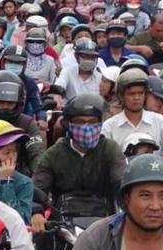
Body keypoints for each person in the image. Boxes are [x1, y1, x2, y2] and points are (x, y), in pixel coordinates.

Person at [31, 94, 125, 235]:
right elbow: (37, 188)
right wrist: (36, 213)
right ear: (68, 124)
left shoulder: (110, 149)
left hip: (106, 228)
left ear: (100, 122)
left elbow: (123, 185)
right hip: (62, 228)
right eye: (79, 122)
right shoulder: (53, 154)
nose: (86, 127)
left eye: (92, 121)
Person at [101, 68, 163, 160]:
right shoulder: (109, 127)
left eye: (140, 93)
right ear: (121, 96)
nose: (137, 98)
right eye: (131, 94)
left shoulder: (161, 122)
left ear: (145, 95)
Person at [54, 39, 104, 103]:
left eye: (92, 58)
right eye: (85, 57)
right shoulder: (67, 71)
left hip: (94, 110)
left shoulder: (100, 76)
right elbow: (59, 86)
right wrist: (57, 99)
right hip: (71, 109)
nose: (88, 60)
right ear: (77, 57)